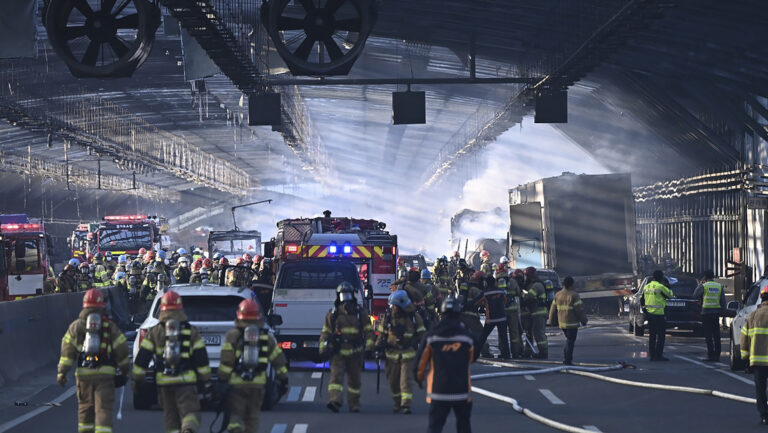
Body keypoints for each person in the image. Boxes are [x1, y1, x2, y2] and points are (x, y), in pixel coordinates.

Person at [133, 291, 212, 433]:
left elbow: (142, 358)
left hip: (164, 383)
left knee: (171, 418)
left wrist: (137, 381)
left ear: (162, 309)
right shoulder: (190, 331)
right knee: (190, 412)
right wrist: (207, 381)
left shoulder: (155, 331)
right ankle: (188, 429)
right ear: (180, 308)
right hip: (186, 382)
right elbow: (201, 359)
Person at [57, 289, 130, 433]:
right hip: (106, 375)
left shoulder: (76, 326)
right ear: (102, 305)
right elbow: (122, 349)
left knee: (85, 411)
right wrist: (125, 370)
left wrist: (62, 374)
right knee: (103, 411)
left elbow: (67, 353)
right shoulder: (109, 326)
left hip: (84, 375)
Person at [219, 299, 289, 433]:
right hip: (258, 385)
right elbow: (278, 360)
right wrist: (284, 380)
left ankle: (235, 430)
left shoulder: (233, 335)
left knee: (235, 415)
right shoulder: (265, 337)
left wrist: (222, 380)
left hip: (237, 385)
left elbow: (227, 361)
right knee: (252, 418)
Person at [415, 296, 478, 433]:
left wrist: (419, 379)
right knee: (464, 426)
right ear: (458, 314)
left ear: (441, 314)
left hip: (438, 391)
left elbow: (421, 362)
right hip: (461, 391)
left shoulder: (431, 336)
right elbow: (473, 357)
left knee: (435, 427)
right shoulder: (467, 337)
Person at [319, 281, 374, 413]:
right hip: (337, 352)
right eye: (343, 295)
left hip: (356, 352)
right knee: (336, 377)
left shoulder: (360, 313)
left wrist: (370, 348)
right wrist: (323, 348)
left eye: (348, 294)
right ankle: (335, 401)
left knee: (354, 380)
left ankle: (354, 404)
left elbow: (368, 331)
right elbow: (325, 332)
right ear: (338, 296)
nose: (346, 298)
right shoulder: (333, 314)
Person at [375, 290, 426, 414]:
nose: (392, 308)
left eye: (394, 306)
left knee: (406, 380)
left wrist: (423, 350)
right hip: (391, 354)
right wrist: (377, 347)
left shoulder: (414, 317)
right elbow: (381, 335)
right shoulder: (387, 317)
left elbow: (422, 334)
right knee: (393, 381)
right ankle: (397, 402)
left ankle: (406, 405)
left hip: (408, 354)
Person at [740, 285, 768, 425]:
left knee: (760, 389)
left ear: (761, 298)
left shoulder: (753, 316)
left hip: (758, 361)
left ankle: (764, 415)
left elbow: (744, 338)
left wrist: (745, 358)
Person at [548, 276, 588, 365]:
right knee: (570, 341)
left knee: (568, 340)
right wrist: (584, 320)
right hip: (572, 323)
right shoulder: (574, 295)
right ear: (571, 285)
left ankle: (567, 358)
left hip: (562, 324)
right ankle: (567, 359)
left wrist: (551, 321)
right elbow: (579, 310)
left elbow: (552, 309)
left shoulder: (558, 294)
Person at [692, 270, 726, 362]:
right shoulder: (719, 286)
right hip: (715, 314)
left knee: (708, 335)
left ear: (705, 277)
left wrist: (700, 283)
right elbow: (723, 302)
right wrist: (722, 313)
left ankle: (710, 355)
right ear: (713, 276)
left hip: (706, 313)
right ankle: (717, 355)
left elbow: (695, 295)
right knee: (716, 335)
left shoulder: (704, 286)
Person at [642, 270, 675, 361]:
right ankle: (658, 355)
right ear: (661, 278)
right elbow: (671, 295)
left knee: (652, 335)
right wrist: (668, 286)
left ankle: (652, 355)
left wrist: (645, 310)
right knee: (661, 336)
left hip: (650, 314)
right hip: (659, 314)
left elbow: (642, 300)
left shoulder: (646, 286)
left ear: (653, 277)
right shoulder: (661, 286)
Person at [457, 271, 491, 358]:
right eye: (482, 280)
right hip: (471, 316)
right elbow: (483, 301)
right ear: (479, 280)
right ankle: (485, 352)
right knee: (480, 333)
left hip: (461, 315)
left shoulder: (466, 286)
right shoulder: (475, 290)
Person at [479, 273, 510, 359]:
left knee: (483, 336)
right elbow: (505, 301)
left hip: (491, 319)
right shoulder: (500, 291)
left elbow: (476, 302)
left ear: (486, 283)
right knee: (504, 338)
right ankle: (507, 355)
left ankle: (475, 353)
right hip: (502, 317)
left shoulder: (485, 292)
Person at [521, 267, 548, 359]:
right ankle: (528, 352)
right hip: (534, 313)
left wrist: (522, 294)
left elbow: (529, 297)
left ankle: (543, 352)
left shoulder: (536, 285)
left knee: (538, 333)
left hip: (539, 312)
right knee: (530, 333)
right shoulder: (533, 284)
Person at [502, 267, 523, 358]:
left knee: (502, 333)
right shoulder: (513, 282)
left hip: (502, 311)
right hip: (512, 310)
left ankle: (503, 352)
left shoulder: (496, 282)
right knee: (514, 332)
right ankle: (516, 352)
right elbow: (518, 292)